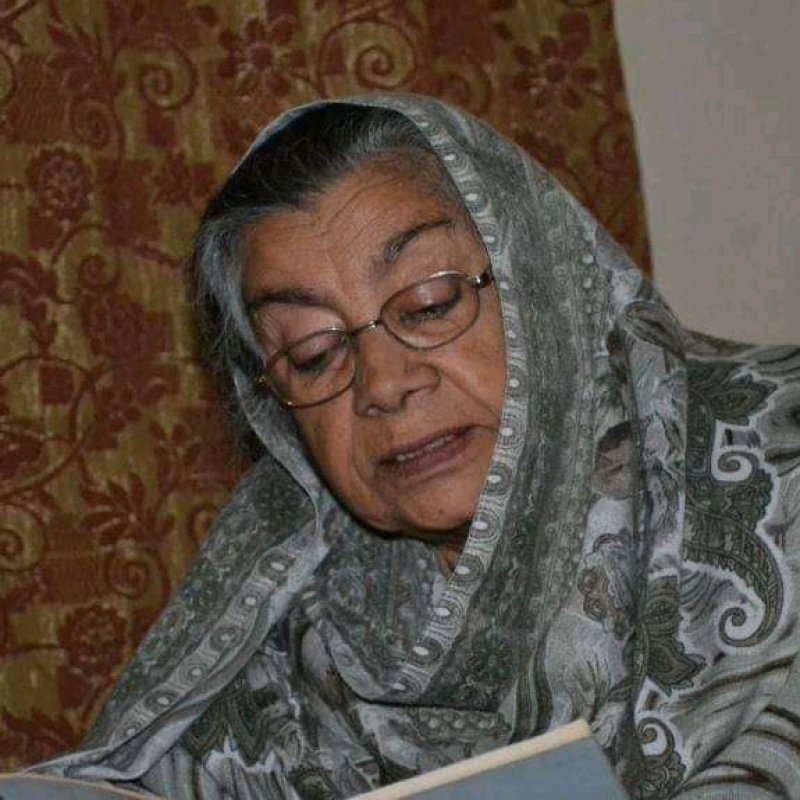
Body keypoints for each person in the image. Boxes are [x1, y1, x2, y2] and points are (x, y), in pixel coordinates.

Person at [35, 95, 800, 798]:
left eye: (431, 304)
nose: (383, 382)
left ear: (544, 282)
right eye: (312, 354)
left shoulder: (779, 461)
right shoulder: (280, 631)